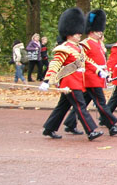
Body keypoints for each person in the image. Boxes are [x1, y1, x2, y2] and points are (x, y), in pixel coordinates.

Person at [39, 8, 104, 141]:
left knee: (62, 107)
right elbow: (55, 64)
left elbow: (87, 61)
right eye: (77, 32)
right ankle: (91, 131)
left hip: (77, 81)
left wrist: (99, 70)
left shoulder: (79, 48)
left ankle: (49, 128)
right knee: (80, 106)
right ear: (70, 33)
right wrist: (47, 80)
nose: (80, 34)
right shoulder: (64, 48)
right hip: (69, 82)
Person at [62, 10, 117, 137]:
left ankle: (70, 123)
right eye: (98, 30)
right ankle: (112, 125)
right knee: (101, 102)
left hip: (98, 74)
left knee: (82, 103)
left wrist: (105, 72)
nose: (100, 32)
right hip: (90, 77)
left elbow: (102, 60)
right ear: (91, 31)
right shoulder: (85, 44)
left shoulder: (99, 43)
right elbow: (83, 61)